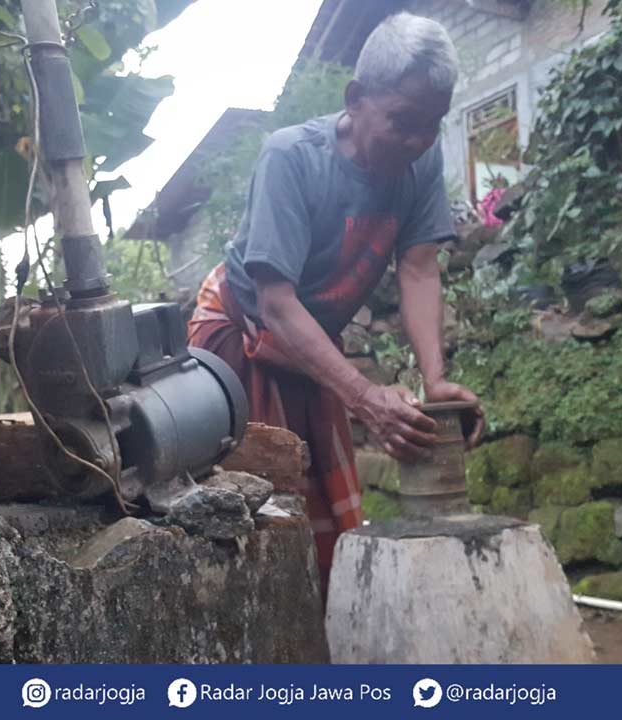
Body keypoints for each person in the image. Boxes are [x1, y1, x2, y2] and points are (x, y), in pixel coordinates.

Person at [187, 12, 484, 594]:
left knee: (330, 524)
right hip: (240, 337)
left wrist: (436, 380)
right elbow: (275, 303)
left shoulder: (421, 158)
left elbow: (419, 269)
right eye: (402, 122)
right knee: (257, 518)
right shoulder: (291, 158)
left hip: (310, 342)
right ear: (356, 99)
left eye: (433, 125)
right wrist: (366, 397)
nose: (418, 141)